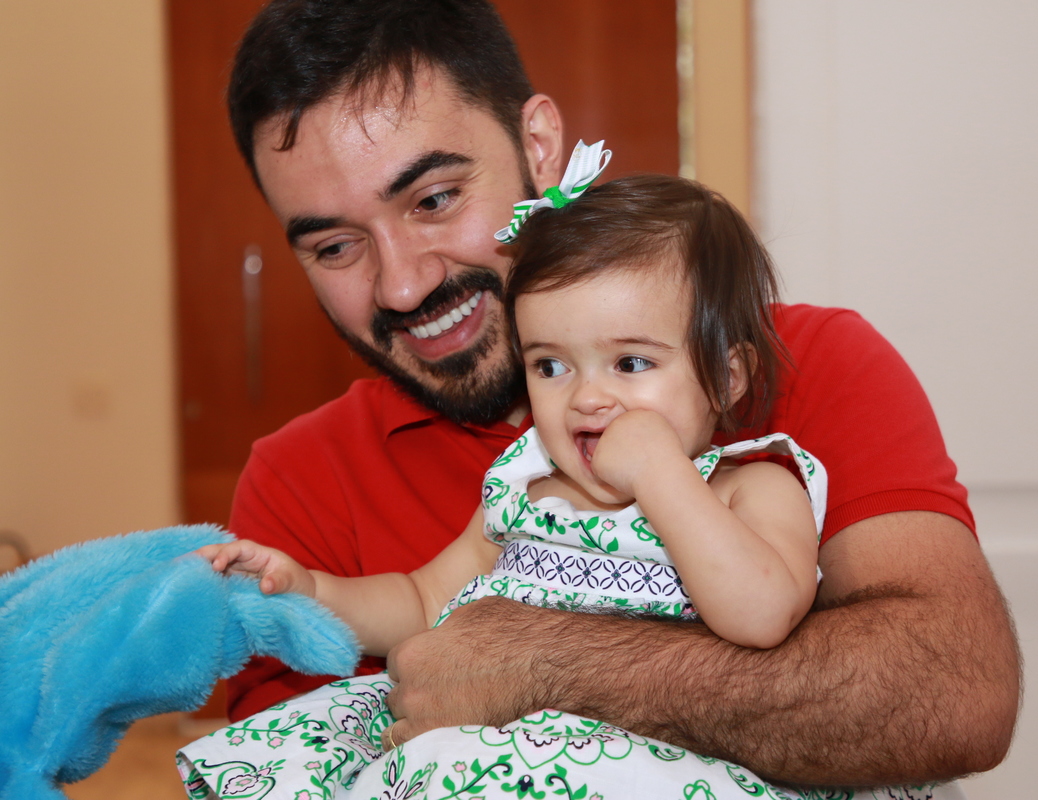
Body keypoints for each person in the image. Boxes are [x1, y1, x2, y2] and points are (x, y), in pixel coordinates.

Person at [218, 0, 1020, 790]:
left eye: (434, 200)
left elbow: (954, 697)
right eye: (335, 246)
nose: (401, 285)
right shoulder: (303, 486)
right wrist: (304, 595)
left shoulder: (807, 367)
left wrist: (546, 665)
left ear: (537, 146)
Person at [182, 167, 841, 798]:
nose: (587, 397)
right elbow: (421, 599)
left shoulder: (749, 488)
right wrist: (310, 590)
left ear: (728, 377)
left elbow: (762, 618)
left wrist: (661, 474)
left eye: (631, 362)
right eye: (551, 366)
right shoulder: (526, 492)